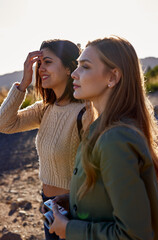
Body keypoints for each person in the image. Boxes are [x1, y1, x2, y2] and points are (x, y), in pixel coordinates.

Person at [49, 36, 158, 240]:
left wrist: (68, 230)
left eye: (85, 66)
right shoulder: (103, 128)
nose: (74, 74)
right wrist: (77, 199)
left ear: (112, 77)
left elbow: (134, 235)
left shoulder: (114, 138)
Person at [0, 39, 90, 240]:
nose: (41, 69)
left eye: (48, 62)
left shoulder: (85, 112)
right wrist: (24, 83)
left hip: (76, 209)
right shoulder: (45, 108)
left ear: (69, 68)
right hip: (48, 204)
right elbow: (4, 124)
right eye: (39, 63)